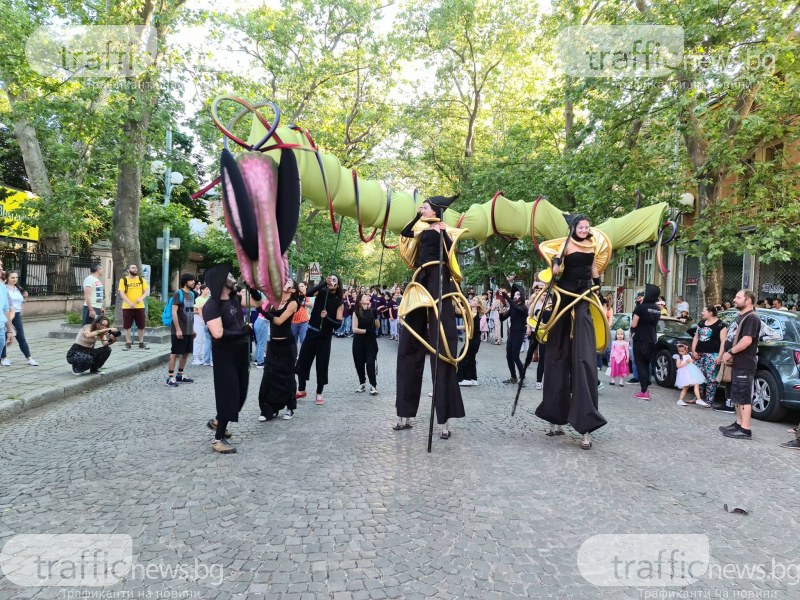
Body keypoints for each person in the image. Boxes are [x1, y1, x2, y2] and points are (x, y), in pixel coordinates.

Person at [395, 195, 467, 439]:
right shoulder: (420, 228)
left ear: (435, 209)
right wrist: (418, 217)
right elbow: (405, 233)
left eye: (424, 207)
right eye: (421, 208)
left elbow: (449, 255)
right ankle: (404, 415)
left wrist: (444, 232)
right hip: (421, 278)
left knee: (442, 346)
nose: (421, 209)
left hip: (439, 279)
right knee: (408, 346)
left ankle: (444, 422)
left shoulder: (446, 230)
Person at [534, 215, 608, 450]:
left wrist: (600, 289)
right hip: (564, 296)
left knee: (584, 357)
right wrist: (556, 263)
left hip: (584, 297)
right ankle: (555, 417)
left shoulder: (592, 244)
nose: (585, 229)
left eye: (587, 226)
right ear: (574, 228)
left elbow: (594, 268)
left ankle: (586, 423)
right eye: (581, 226)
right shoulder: (565, 245)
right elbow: (555, 270)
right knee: (557, 354)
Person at [203, 264, 262, 454]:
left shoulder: (235, 297)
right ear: (220, 281)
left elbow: (257, 303)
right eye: (229, 276)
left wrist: (253, 288)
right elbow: (218, 333)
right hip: (225, 356)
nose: (233, 278)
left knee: (240, 395)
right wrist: (241, 331)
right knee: (228, 396)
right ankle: (218, 439)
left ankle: (218, 421)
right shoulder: (212, 306)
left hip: (241, 353)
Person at [718, 289, 761, 440]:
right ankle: (738, 423)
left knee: (743, 396)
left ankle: (745, 429)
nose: (734, 299)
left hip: (744, 362)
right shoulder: (741, 316)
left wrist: (730, 352)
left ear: (748, 300)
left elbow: (747, 340)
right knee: (737, 395)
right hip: (736, 363)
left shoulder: (752, 318)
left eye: (738, 297)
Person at [295, 274, 344, 405]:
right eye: (330, 279)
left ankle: (319, 393)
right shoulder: (322, 292)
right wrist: (323, 283)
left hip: (325, 337)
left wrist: (327, 317)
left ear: (338, 284)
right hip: (311, 332)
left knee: (321, 365)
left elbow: (338, 324)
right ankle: (301, 390)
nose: (331, 281)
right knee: (302, 361)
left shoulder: (339, 301)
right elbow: (308, 293)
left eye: (334, 280)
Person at [257, 278, 300, 421]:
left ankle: (290, 407)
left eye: (289, 283)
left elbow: (279, 321)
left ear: (293, 290)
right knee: (269, 376)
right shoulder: (275, 300)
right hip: (273, 345)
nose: (285, 283)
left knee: (287, 377)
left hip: (287, 345)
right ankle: (270, 409)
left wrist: (261, 311)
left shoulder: (293, 303)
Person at [691, 304, 727, 408]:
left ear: (710, 313)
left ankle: (709, 400)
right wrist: (694, 351)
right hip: (700, 353)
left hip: (712, 354)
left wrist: (720, 356)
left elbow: (723, 342)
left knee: (711, 378)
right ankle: (697, 397)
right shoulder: (702, 323)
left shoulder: (720, 325)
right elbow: (696, 337)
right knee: (698, 376)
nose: (702, 313)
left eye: (704, 311)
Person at [1, 271, 39, 366]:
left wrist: (24, 294)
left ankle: (29, 358)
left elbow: (20, 300)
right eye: (12, 277)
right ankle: (3, 358)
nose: (15, 279)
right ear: (7, 278)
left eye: (16, 277)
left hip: (17, 314)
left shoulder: (19, 289)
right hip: (6, 314)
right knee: (4, 336)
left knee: (21, 336)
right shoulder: (3, 288)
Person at [631, 284, 662, 400]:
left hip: (640, 338)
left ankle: (644, 391)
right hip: (652, 339)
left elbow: (634, 324)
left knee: (641, 365)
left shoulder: (641, 307)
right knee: (647, 364)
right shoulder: (657, 309)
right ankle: (646, 387)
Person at [166, 273, 197, 387]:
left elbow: (190, 312)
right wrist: (178, 329)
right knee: (174, 353)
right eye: (191, 280)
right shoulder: (178, 293)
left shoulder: (192, 294)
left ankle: (180, 374)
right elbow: (174, 312)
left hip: (188, 329)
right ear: (185, 281)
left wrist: (192, 328)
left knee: (186, 352)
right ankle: (170, 378)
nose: (194, 282)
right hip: (178, 329)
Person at [352, 292, 379, 395]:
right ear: (360, 301)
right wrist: (367, 331)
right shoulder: (356, 312)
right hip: (359, 342)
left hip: (371, 342)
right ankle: (362, 383)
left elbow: (378, 326)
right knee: (359, 364)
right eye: (364, 296)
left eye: (367, 296)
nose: (367, 297)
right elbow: (354, 329)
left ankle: (373, 385)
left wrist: (376, 317)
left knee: (370, 363)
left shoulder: (372, 311)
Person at [118, 264, 150, 350]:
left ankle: (141, 343)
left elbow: (146, 291)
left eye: (136, 268)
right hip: (127, 307)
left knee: (141, 325)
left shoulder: (141, 279)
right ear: (128, 270)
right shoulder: (123, 280)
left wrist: (141, 298)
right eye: (133, 268)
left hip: (140, 306)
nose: (135, 269)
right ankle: (128, 343)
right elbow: (122, 293)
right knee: (127, 325)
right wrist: (129, 303)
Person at [500, 285, 527, 384]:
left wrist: (506, 296)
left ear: (522, 296)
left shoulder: (523, 308)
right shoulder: (513, 308)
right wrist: (500, 313)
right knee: (509, 356)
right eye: (515, 294)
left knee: (515, 356)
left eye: (518, 294)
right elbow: (502, 319)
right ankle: (513, 377)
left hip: (519, 334)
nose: (516, 296)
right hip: (512, 334)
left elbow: (516, 307)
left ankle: (522, 378)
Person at [457, 296, 483, 386]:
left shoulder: (472, 313)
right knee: (471, 359)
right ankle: (473, 379)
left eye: (474, 300)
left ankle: (465, 378)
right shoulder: (472, 312)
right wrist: (455, 327)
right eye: (472, 299)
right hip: (474, 340)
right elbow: (466, 327)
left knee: (462, 357)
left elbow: (459, 311)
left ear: (478, 304)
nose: (472, 301)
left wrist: (457, 302)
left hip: (473, 340)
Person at [192, 285, 211, 366]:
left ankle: (204, 357)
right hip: (198, 319)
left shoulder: (208, 299)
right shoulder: (198, 299)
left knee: (204, 339)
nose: (208, 290)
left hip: (206, 320)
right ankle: (195, 358)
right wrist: (202, 312)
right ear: (202, 290)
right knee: (198, 339)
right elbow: (193, 311)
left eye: (208, 289)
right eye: (206, 289)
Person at [0, 259, 13, 361]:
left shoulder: (3, 288)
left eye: (1, 265)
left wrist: (9, 331)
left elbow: (6, 310)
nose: (1, 268)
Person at [253, 298, 270, 368]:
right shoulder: (271, 302)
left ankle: (257, 360)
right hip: (263, 322)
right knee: (261, 344)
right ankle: (260, 362)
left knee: (259, 343)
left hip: (259, 321)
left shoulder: (267, 300)